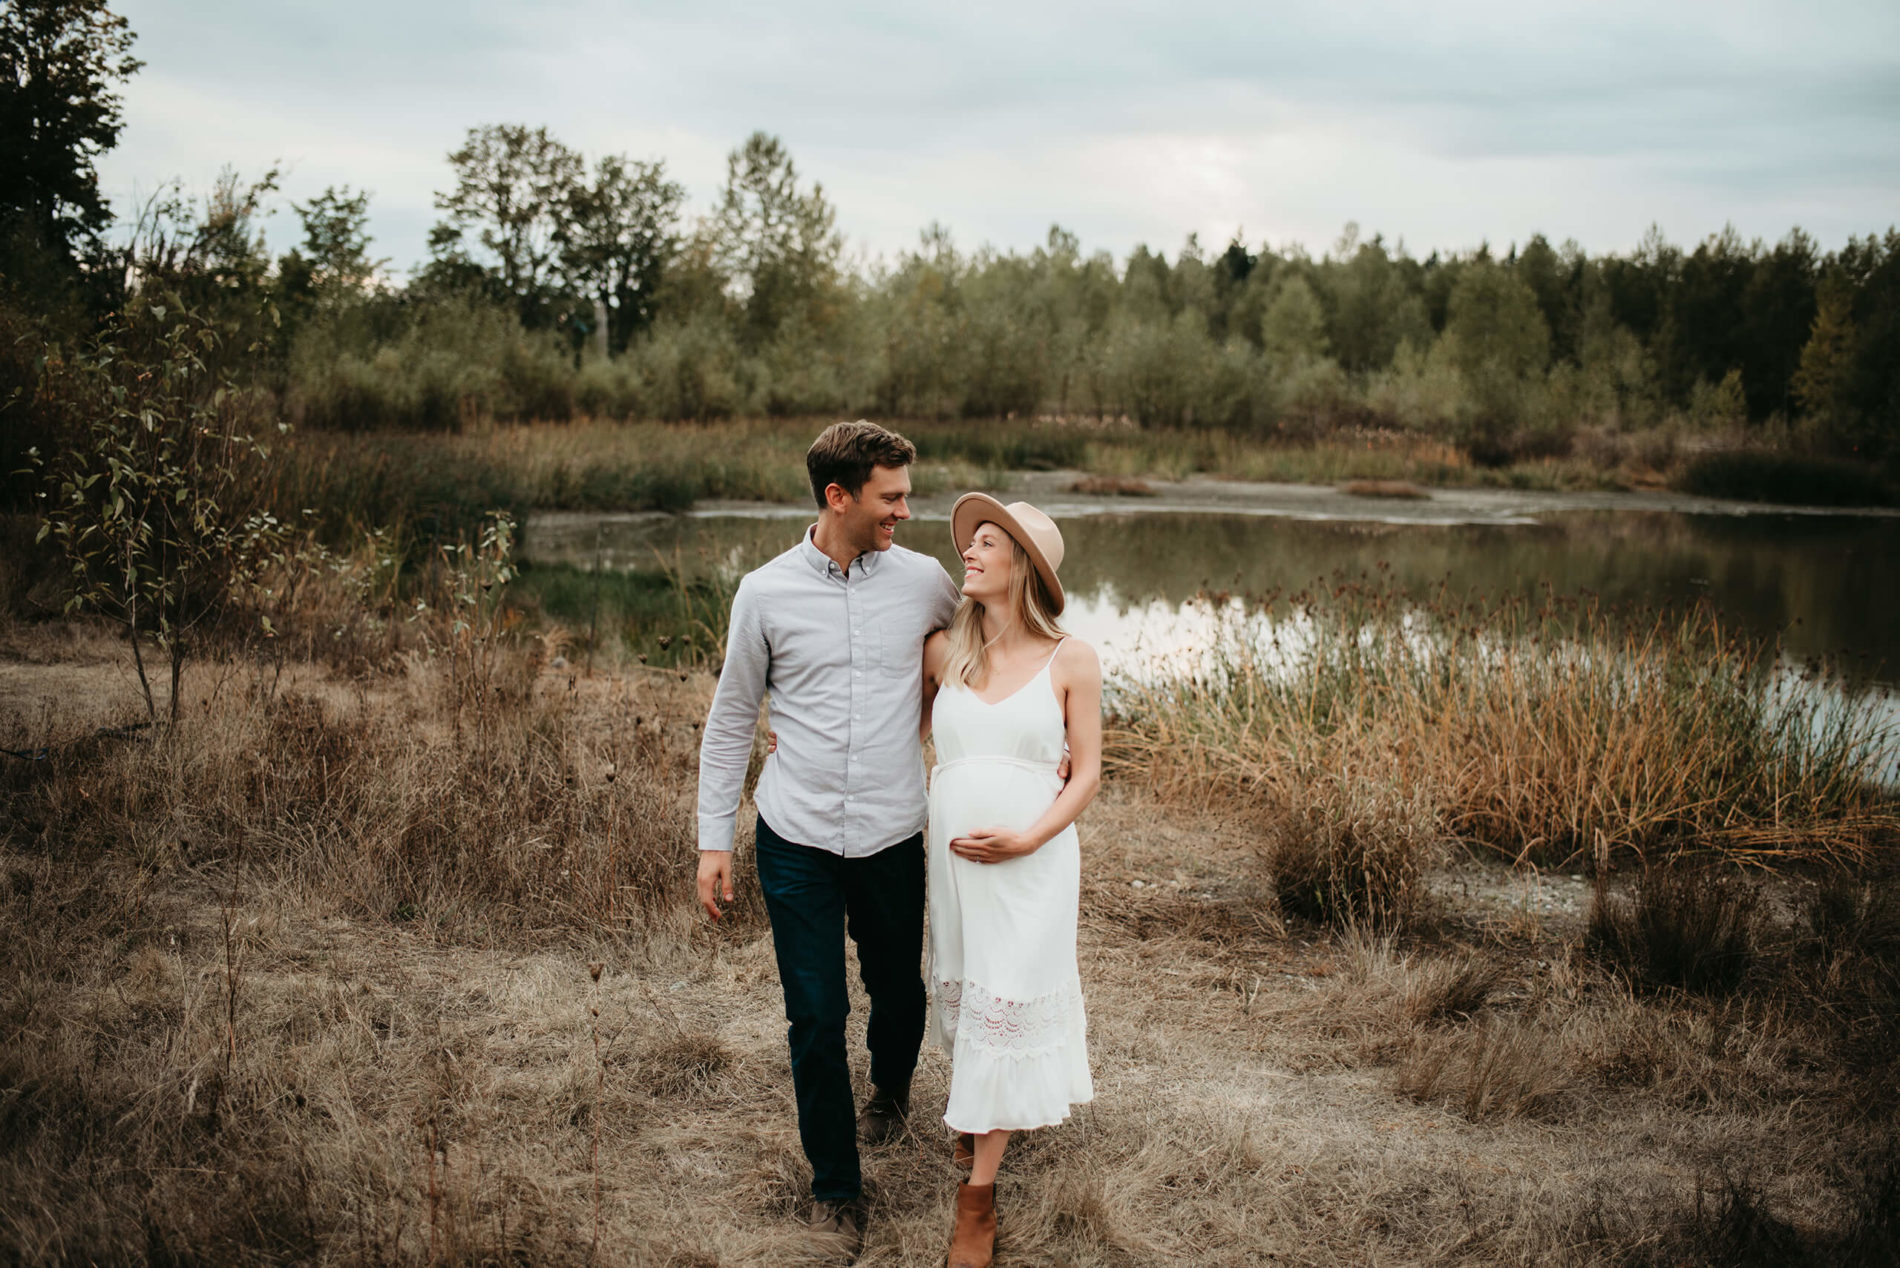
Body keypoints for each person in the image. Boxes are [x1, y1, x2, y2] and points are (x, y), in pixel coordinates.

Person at [695, 420, 959, 1260]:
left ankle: (889, 1088)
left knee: (900, 993)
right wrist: (714, 842)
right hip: (796, 835)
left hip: (889, 831)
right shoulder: (763, 593)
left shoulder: (924, 582)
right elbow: (733, 717)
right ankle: (836, 1187)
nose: (905, 512)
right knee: (814, 1015)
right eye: (891, 497)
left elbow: (974, 660)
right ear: (838, 497)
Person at [921, 494, 1101, 1268]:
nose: (970, 552)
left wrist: (1027, 834)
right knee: (966, 992)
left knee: (1007, 996)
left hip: (1032, 864)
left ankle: (978, 1200)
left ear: (1023, 565)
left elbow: (1087, 773)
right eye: (972, 541)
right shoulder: (941, 653)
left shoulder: (1072, 658)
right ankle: (979, 1117)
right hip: (953, 867)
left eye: (988, 543)